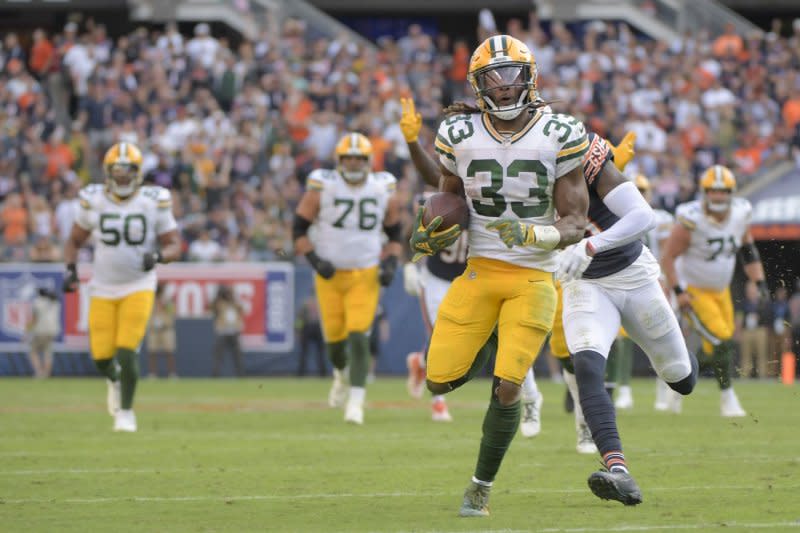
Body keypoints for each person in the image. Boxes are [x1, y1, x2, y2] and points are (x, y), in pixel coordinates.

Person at [408, 36, 590, 517]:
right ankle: (489, 347)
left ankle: (479, 486)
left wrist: (534, 233)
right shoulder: (458, 131)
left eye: (513, 76)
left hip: (534, 278)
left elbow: (575, 221)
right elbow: (449, 199)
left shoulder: (562, 131)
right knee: (438, 381)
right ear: (477, 83)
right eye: (494, 77)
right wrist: (433, 233)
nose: (505, 87)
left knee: (509, 383)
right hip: (479, 272)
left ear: (530, 78)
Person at [63, 142, 181, 432]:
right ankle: (114, 379)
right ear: (107, 171)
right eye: (117, 170)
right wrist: (70, 270)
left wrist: (157, 257)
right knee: (101, 357)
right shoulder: (94, 199)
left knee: (128, 350)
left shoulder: (154, 200)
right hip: (102, 286)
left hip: (138, 285)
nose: (123, 176)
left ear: (138, 172)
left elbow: (174, 244)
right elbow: (74, 240)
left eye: (128, 170)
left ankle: (126, 412)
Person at [293, 132, 402, 425]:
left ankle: (356, 401)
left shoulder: (383, 187)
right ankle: (340, 375)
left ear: (369, 161)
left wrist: (391, 262)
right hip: (330, 274)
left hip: (365, 272)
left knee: (358, 334)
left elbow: (394, 232)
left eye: (359, 158)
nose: (354, 163)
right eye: (348, 158)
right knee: (335, 347)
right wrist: (315, 260)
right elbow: (298, 230)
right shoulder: (322, 185)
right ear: (339, 160)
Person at [661, 165, 768, 417]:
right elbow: (668, 258)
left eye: (723, 191)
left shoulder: (741, 213)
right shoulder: (691, 218)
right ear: (704, 192)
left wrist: (759, 281)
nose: (718, 197)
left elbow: (748, 249)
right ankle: (728, 398)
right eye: (713, 191)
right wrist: (679, 291)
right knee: (721, 339)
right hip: (694, 290)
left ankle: (678, 381)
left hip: (721, 291)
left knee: (720, 344)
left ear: (731, 192)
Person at [613, 174, 678, 411]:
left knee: (661, 335)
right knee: (624, 340)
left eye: (643, 190)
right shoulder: (616, 216)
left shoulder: (662, 219)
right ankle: (625, 390)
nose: (639, 194)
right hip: (625, 280)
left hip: (655, 280)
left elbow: (670, 254)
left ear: (650, 193)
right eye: (635, 189)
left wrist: (669, 281)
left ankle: (665, 390)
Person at [736, 280, 770, 379]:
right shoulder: (743, 303)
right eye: (749, 289)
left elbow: (768, 316)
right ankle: (745, 376)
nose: (750, 291)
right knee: (745, 355)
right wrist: (737, 331)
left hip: (760, 330)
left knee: (762, 355)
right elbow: (739, 317)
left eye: (752, 289)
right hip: (746, 331)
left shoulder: (762, 302)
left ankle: (762, 376)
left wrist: (760, 317)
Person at [211, 285, 245, 377]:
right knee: (219, 356)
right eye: (227, 293)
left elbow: (242, 310)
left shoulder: (235, 303)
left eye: (230, 293)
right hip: (222, 331)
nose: (229, 295)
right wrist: (220, 295)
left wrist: (233, 297)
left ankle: (240, 374)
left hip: (234, 331)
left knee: (237, 355)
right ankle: (215, 374)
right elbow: (213, 307)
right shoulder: (219, 303)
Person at [27, 287, 61, 378]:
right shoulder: (55, 302)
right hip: (52, 330)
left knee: (33, 352)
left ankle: (39, 372)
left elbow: (34, 319)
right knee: (48, 352)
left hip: (40, 330)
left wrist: (27, 331)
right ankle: (47, 373)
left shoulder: (37, 302)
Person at [146, 282, 178, 379]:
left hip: (166, 328)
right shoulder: (150, 299)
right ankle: (152, 374)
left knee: (169, 352)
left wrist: (165, 305)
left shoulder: (167, 300)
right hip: (153, 329)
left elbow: (172, 311)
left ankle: (172, 373)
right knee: (152, 352)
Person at [296, 296, 326, 377]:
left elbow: (299, 318)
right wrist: (298, 331)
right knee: (319, 353)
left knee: (306, 353)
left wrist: (298, 331)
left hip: (310, 328)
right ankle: (322, 374)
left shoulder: (306, 303)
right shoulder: (321, 303)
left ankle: (301, 373)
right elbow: (300, 318)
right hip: (315, 328)